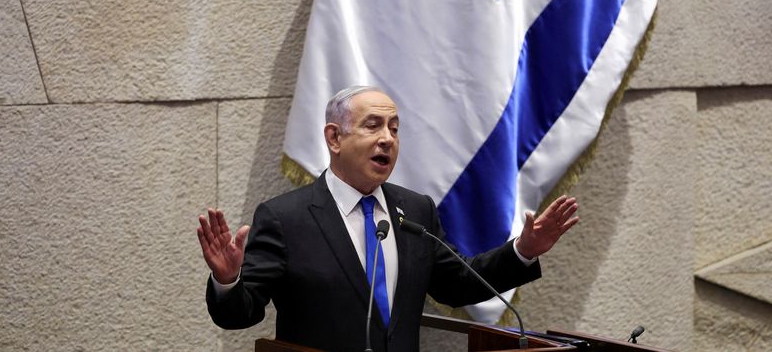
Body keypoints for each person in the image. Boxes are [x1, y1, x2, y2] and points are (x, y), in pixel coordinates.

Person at [197, 86, 578, 351]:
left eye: (394, 129)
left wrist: (523, 251)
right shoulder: (285, 218)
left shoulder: (415, 211)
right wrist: (228, 280)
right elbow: (239, 315)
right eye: (373, 125)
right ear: (334, 138)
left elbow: (459, 285)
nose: (388, 139)